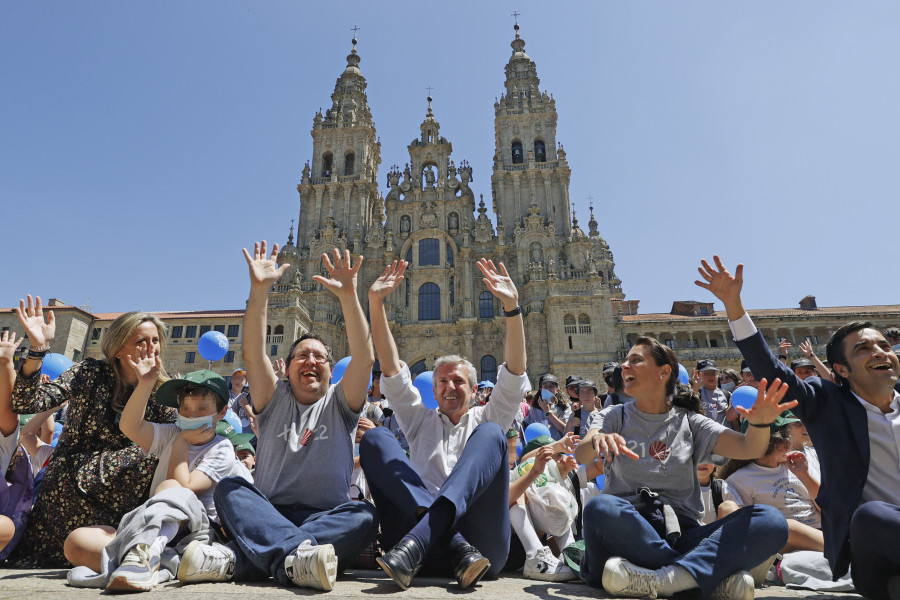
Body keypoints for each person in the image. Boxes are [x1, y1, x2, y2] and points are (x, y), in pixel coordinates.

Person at [696, 255, 900, 600]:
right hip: (872, 542)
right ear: (841, 370)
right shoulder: (829, 403)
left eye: (883, 345)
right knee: (872, 516)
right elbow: (772, 371)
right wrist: (734, 306)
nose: (879, 352)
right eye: (863, 348)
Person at [177, 243, 378, 592]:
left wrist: (349, 296)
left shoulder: (342, 403)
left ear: (332, 371)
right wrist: (259, 291)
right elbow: (253, 352)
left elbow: (363, 359)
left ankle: (240, 561)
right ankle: (299, 559)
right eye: (303, 355)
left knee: (363, 515)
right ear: (286, 368)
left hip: (326, 517)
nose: (312, 361)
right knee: (231, 488)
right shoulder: (272, 398)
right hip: (269, 512)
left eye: (320, 357)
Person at [574, 336, 792, 599]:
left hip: (682, 532)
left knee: (771, 521)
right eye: (625, 361)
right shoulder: (614, 415)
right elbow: (582, 452)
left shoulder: (691, 423)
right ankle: (698, 576)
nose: (624, 366)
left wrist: (760, 424)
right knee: (600, 507)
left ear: (663, 372)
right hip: (624, 533)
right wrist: (597, 439)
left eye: (635, 360)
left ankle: (665, 580)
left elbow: (749, 448)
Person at [360, 258, 530, 590]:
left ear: (474, 388)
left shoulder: (487, 417)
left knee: (492, 434)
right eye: (442, 382)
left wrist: (511, 308)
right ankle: (448, 540)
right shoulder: (419, 421)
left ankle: (436, 534)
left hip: (478, 550)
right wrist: (376, 305)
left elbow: (514, 373)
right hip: (426, 554)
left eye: (458, 381)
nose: (449, 387)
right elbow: (392, 370)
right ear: (433, 389)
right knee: (376, 438)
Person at [9, 297, 177, 567]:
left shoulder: (163, 390)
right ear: (119, 348)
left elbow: (172, 442)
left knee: (154, 457)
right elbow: (24, 403)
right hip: (69, 486)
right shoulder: (88, 372)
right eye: (141, 341)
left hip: (123, 490)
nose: (150, 348)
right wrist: (38, 349)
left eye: (155, 341)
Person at [64, 368, 252, 592]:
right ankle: (156, 560)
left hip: (194, 535)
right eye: (185, 409)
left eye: (201, 409)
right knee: (76, 542)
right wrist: (145, 385)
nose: (191, 415)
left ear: (221, 412)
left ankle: (148, 555)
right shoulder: (171, 432)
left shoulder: (222, 447)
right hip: (153, 524)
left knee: (170, 486)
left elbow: (186, 488)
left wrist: (182, 442)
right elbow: (130, 427)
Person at [718, 414, 823, 554]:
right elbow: (747, 530)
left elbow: (826, 507)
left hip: (820, 531)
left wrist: (804, 475)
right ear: (767, 443)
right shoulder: (740, 480)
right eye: (784, 438)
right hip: (782, 543)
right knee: (789, 528)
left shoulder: (797, 464)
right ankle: (843, 551)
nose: (789, 443)